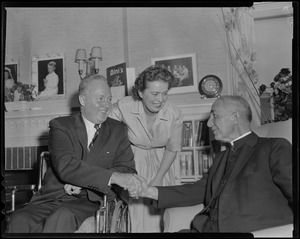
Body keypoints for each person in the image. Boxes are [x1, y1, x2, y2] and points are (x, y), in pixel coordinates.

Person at [131, 95, 293, 233]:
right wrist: (149, 191)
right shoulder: (221, 157)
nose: (208, 124)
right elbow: (200, 189)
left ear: (235, 117)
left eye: (214, 116)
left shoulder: (274, 147)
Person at [6, 74, 139, 233]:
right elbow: (66, 165)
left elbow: (128, 170)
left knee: (62, 216)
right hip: (53, 197)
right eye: (100, 99)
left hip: (92, 199)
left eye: (109, 99)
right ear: (82, 100)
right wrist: (112, 176)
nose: (106, 105)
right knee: (19, 219)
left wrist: (82, 181)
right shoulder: (61, 126)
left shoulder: (118, 130)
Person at [109, 65, 184, 232]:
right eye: (155, 93)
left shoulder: (174, 113)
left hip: (164, 163)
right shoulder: (123, 107)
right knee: (138, 217)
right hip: (134, 161)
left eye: (165, 94)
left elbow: (172, 149)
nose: (160, 100)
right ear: (141, 93)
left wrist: (158, 179)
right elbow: (104, 134)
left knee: (164, 213)